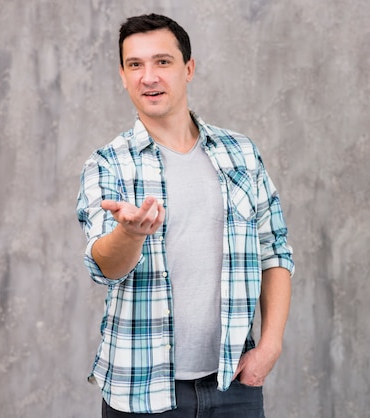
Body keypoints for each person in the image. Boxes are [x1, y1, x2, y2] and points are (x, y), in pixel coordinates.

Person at [76, 13, 294, 417]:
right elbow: (104, 266)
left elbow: (274, 249)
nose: (148, 77)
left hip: (234, 386)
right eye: (135, 65)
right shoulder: (107, 165)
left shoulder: (240, 153)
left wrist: (270, 345)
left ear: (188, 68)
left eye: (162, 62)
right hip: (141, 390)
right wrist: (130, 233)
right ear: (123, 76)